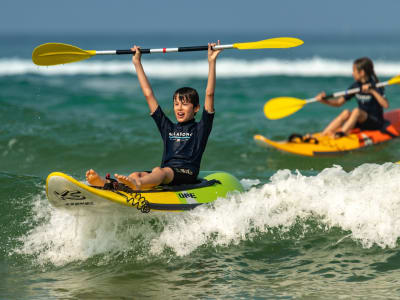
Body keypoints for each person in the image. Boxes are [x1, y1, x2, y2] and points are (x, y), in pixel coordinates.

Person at [86, 41, 223, 190]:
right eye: (176, 104)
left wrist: (211, 61)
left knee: (159, 171)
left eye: (184, 104)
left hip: (186, 173)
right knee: (136, 174)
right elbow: (148, 94)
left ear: (196, 108)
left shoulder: (201, 128)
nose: (179, 108)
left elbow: (209, 94)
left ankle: (136, 185)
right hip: (166, 174)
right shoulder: (168, 127)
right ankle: (109, 184)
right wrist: (137, 62)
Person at [316, 57, 389, 138]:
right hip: (360, 121)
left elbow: (386, 105)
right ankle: (323, 135)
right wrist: (324, 101)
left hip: (375, 122)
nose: (352, 74)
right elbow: (338, 103)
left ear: (362, 72)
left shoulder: (375, 85)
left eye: (354, 71)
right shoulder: (355, 86)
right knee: (346, 112)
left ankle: (341, 135)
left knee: (356, 111)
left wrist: (372, 91)